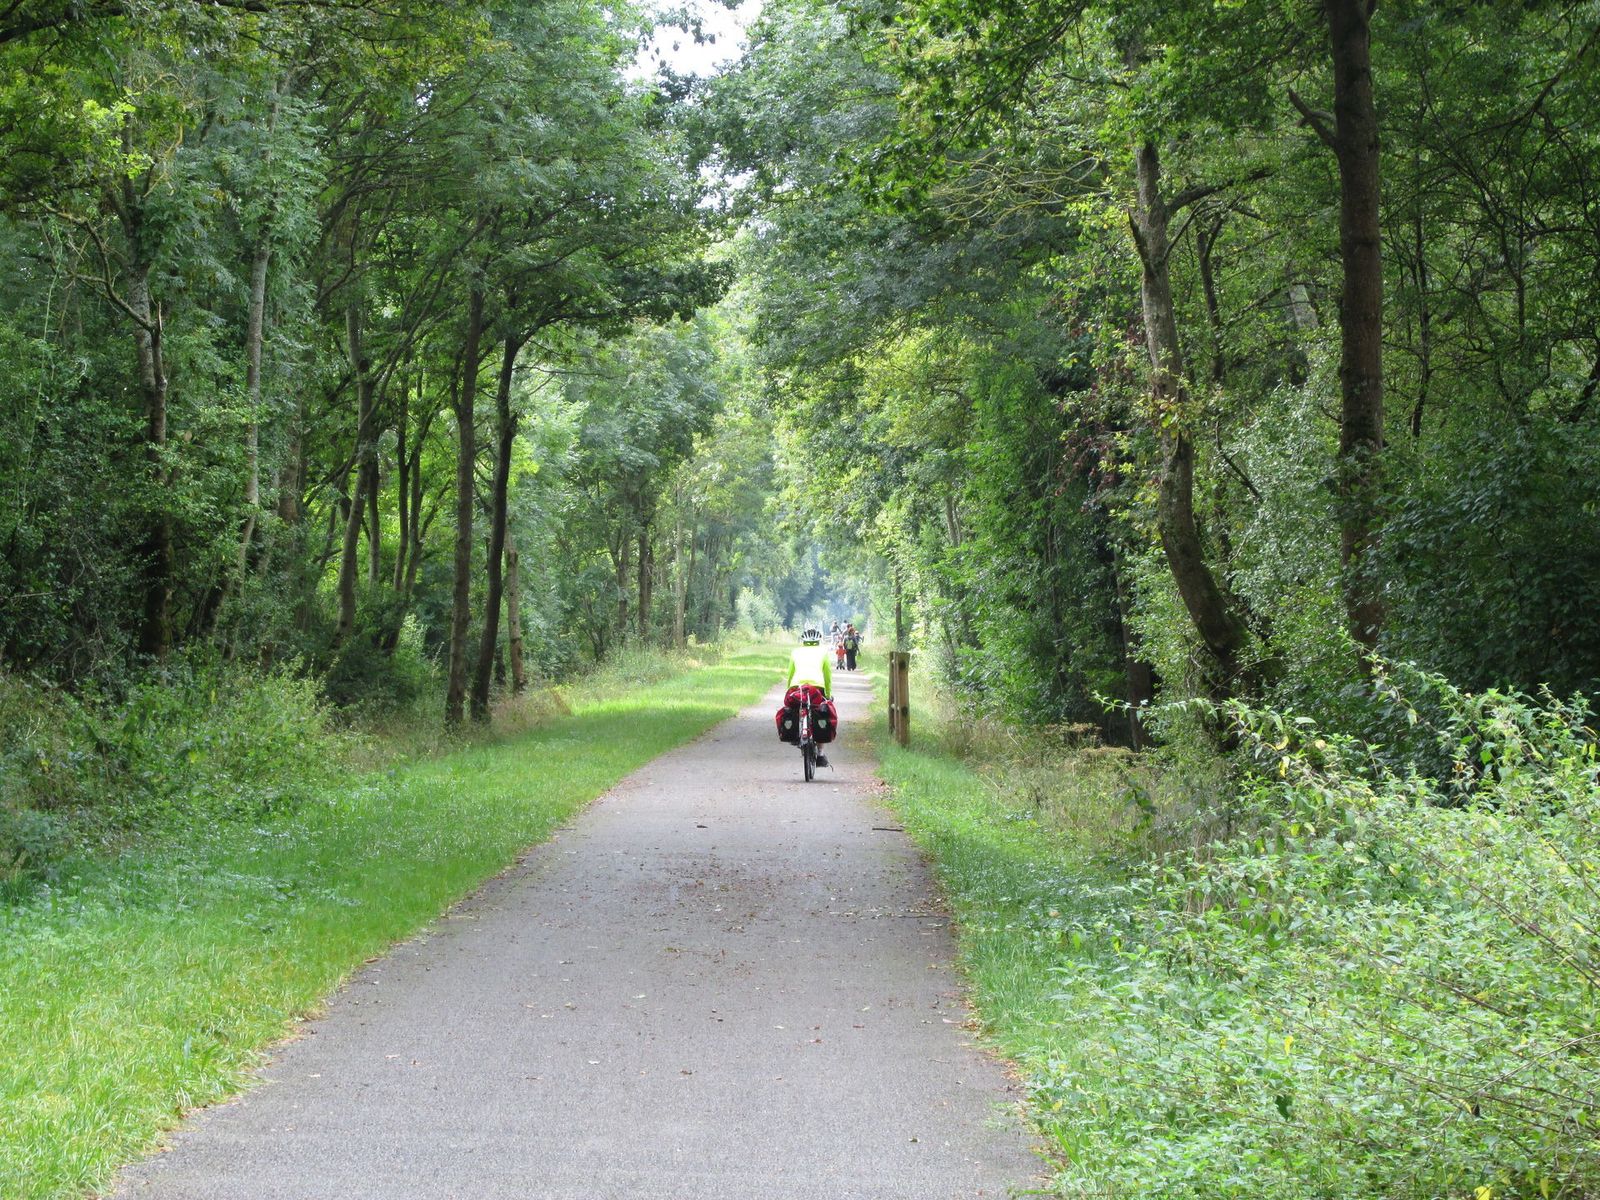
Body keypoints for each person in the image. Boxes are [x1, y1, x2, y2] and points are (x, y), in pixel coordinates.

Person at [784, 626, 835, 767]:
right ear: (818, 641)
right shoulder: (823, 652)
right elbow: (827, 676)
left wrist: (789, 690)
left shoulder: (795, 652)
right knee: (821, 714)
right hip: (817, 687)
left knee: (795, 708)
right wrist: (828, 694)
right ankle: (821, 754)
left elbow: (790, 673)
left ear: (803, 641)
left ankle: (796, 735)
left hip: (797, 686)